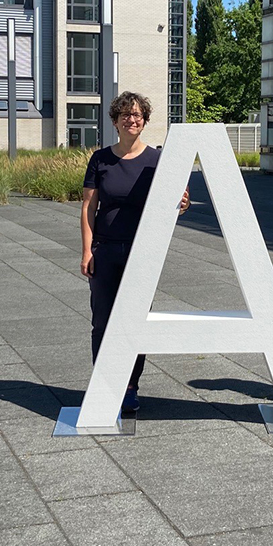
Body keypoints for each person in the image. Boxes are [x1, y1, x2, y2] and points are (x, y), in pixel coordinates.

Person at [81, 91, 190, 414]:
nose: (132, 119)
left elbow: (175, 201)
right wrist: (87, 251)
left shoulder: (157, 160)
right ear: (115, 121)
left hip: (143, 253)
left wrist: (182, 206)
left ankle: (129, 387)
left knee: (135, 322)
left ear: (145, 121)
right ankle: (104, 382)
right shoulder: (101, 159)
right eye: (126, 115)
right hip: (105, 249)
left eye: (138, 115)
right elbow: (89, 206)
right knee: (102, 322)